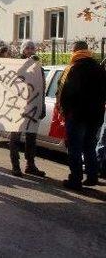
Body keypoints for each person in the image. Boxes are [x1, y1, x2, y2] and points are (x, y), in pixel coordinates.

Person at [56, 41, 106, 190]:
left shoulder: (72, 68)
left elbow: (62, 92)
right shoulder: (99, 68)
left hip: (77, 115)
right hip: (96, 116)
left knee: (75, 148)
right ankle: (92, 176)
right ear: (87, 50)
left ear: (75, 51)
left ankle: (75, 179)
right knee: (90, 146)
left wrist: (64, 111)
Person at [8, 40, 46, 178]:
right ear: (23, 51)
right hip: (18, 107)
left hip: (33, 106)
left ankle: (30, 165)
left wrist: (42, 105)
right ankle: (15, 166)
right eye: (27, 48)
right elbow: (15, 77)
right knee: (15, 137)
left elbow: (42, 87)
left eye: (32, 48)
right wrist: (29, 62)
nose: (30, 50)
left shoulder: (39, 67)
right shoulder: (18, 64)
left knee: (31, 137)